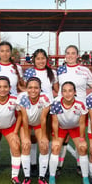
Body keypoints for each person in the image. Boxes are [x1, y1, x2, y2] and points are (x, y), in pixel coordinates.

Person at [0, 41, 25, 176]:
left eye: (7, 50)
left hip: (12, 107)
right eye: (2, 51)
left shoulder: (17, 68)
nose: (4, 53)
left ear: (11, 52)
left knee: (14, 140)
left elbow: (20, 87)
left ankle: (16, 170)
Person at [56, 45, 92, 176]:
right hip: (63, 110)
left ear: (77, 55)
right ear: (65, 55)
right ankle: (58, 166)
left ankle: (79, 164)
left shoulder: (85, 70)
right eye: (68, 53)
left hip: (80, 110)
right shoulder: (60, 70)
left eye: (73, 53)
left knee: (80, 137)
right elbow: (56, 86)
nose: (70, 55)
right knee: (64, 138)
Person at [23, 48, 58, 176]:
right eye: (38, 58)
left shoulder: (52, 72)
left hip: (47, 108)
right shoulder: (30, 72)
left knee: (45, 137)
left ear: (46, 60)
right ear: (34, 60)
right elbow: (24, 87)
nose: (41, 61)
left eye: (43, 58)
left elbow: (57, 89)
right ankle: (33, 164)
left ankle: (46, 164)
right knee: (32, 137)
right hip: (32, 107)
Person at [48, 81, 89, 184]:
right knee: (55, 147)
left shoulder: (80, 104)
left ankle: (85, 177)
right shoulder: (56, 104)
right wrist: (56, 138)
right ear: (61, 93)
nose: (67, 93)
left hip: (75, 128)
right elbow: (55, 122)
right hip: (61, 127)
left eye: (70, 91)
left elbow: (82, 122)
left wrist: (81, 138)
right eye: (64, 91)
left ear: (75, 92)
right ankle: (52, 176)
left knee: (83, 147)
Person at [17, 77, 51, 184]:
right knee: (26, 145)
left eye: (36, 88)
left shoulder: (45, 98)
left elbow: (43, 118)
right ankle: (27, 177)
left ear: (40, 89)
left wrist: (44, 136)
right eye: (30, 87)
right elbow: (24, 118)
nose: (33, 90)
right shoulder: (22, 98)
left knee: (44, 145)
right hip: (25, 123)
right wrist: (26, 137)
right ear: (26, 89)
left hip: (38, 124)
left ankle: (42, 177)